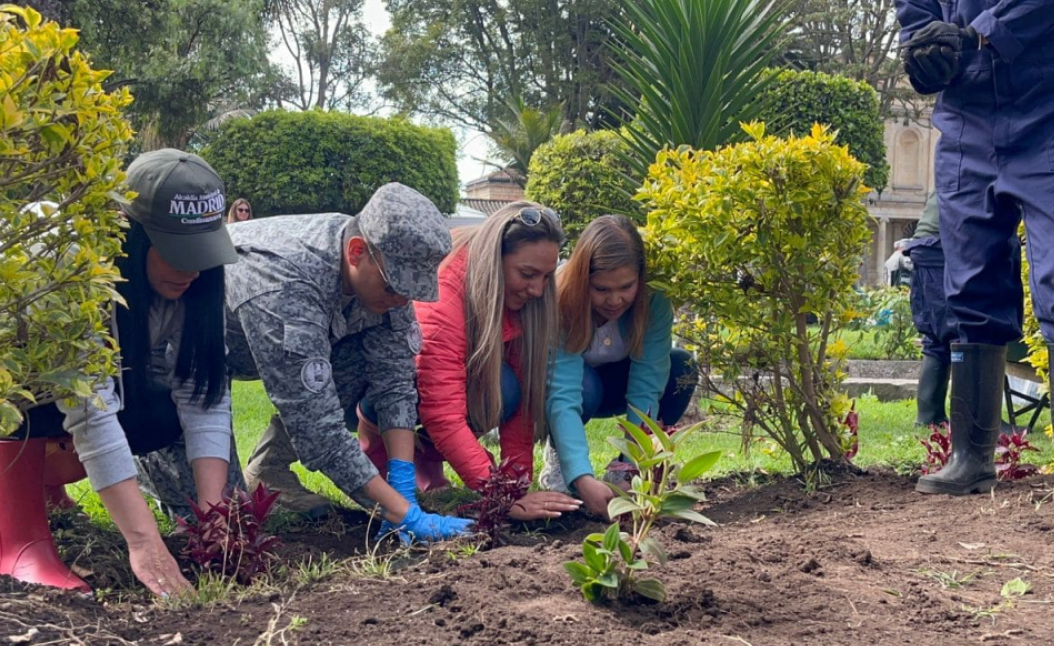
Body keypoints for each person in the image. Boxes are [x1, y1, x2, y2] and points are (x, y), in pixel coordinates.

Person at [893, 0, 1054, 506]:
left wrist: (979, 33)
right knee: (969, 281)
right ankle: (970, 458)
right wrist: (927, 48)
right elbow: (913, 0)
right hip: (969, 115)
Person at [0, 149, 239, 597]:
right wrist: (144, 544)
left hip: (75, 394)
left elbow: (202, 392)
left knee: (158, 415)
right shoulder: (68, 264)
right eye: (177, 252)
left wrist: (212, 516)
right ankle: (19, 543)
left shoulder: (193, 283)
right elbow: (90, 408)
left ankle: (47, 493)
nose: (193, 270)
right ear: (129, 234)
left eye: (201, 252)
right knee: (31, 396)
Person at [223, 183, 471, 542]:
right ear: (356, 253)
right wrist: (399, 513)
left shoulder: (378, 263)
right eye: (393, 288)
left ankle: (269, 470)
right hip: (197, 353)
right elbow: (316, 426)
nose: (402, 301)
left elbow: (395, 380)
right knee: (218, 516)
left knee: (361, 357)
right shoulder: (286, 280)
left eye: (411, 291)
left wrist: (402, 482)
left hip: (290, 331)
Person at [411, 202, 582, 521]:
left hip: (452, 380)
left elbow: (522, 406)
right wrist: (499, 495)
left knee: (508, 388)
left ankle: (427, 456)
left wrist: (518, 488)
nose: (538, 289)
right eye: (527, 274)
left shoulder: (522, 300)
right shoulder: (443, 296)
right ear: (494, 259)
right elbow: (442, 413)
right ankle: (385, 463)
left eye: (546, 276)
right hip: (386, 391)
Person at [542, 215, 698, 517]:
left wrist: (637, 460)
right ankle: (562, 458)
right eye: (601, 289)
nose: (615, 300)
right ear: (582, 280)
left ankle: (622, 468)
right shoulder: (561, 298)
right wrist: (580, 476)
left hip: (619, 384)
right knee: (585, 386)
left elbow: (647, 382)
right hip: (576, 389)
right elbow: (562, 393)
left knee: (682, 366)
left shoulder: (653, 300)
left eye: (626, 287)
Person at [900, 192, 953, 426]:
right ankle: (977, 417)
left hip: (926, 248)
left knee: (937, 335)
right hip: (944, 246)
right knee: (972, 334)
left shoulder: (954, 165)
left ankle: (929, 416)